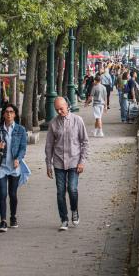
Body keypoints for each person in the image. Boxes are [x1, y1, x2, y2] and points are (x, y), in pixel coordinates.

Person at [45, 97, 89, 231]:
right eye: (57, 109)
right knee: (60, 192)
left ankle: (74, 210)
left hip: (74, 161)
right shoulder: (53, 123)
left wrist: (82, 162)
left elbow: (85, 142)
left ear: (67, 106)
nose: (59, 111)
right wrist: (48, 164)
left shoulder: (77, 120)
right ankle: (64, 219)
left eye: (61, 108)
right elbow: (49, 145)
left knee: (72, 189)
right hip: (58, 162)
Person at [0, 103, 30, 232]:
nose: (9, 114)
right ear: (3, 114)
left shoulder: (20, 129)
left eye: (11, 112)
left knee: (13, 194)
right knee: (2, 193)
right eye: (7, 112)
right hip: (1, 165)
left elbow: (23, 148)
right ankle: (3, 221)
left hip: (14, 166)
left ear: (15, 114)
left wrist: (18, 159)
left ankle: (13, 216)